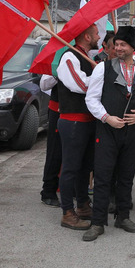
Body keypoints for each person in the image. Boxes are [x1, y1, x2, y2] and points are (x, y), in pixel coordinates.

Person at [82, 26, 135, 241]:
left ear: (133, 47)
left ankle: (123, 216)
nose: (118, 48)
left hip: (133, 132)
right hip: (107, 130)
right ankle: (97, 222)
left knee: (127, 176)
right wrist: (107, 118)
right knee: (103, 176)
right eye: (116, 45)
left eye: (123, 44)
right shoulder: (102, 68)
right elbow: (91, 99)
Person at [54, 24, 101, 231]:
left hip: (88, 121)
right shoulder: (69, 57)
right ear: (87, 35)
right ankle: (67, 212)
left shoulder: (86, 56)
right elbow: (80, 85)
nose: (99, 37)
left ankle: (82, 205)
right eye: (97, 33)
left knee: (84, 167)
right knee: (71, 167)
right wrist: (101, 76)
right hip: (73, 121)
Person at [38, 73, 61, 208]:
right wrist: (60, 71)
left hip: (80, 110)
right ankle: (48, 190)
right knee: (55, 151)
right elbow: (44, 84)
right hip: (58, 110)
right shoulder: (59, 58)